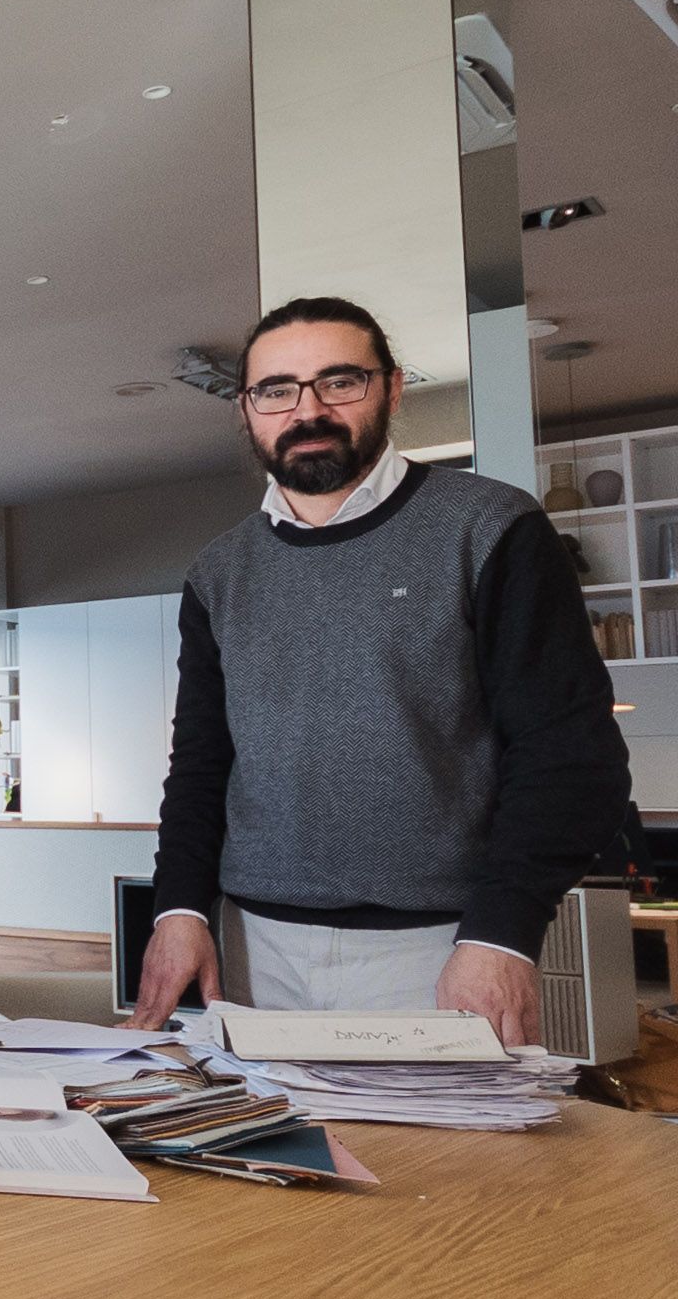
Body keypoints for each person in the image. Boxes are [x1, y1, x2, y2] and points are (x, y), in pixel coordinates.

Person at [132, 295, 631, 1044]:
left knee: (445, 1167)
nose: (307, 410)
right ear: (245, 410)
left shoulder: (491, 528)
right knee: (272, 1161)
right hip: (251, 951)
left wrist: (500, 935)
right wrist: (178, 908)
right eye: (276, 390)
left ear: (392, 388)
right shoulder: (218, 571)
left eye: (339, 381)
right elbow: (201, 762)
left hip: (440, 950)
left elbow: (567, 753)